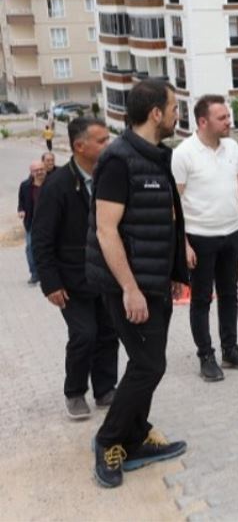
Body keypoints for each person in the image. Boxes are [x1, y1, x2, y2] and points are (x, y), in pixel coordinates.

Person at [85, 80, 189, 488]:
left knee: (150, 363)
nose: (177, 113)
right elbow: (106, 230)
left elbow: (164, 219)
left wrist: (176, 273)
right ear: (156, 114)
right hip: (128, 285)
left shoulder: (158, 157)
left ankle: (136, 436)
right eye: (174, 106)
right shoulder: (118, 160)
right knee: (148, 364)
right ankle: (109, 441)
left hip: (154, 280)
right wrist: (130, 288)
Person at [31, 118, 119, 420]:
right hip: (71, 280)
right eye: (102, 140)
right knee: (84, 334)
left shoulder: (110, 178)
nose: (108, 145)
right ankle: (75, 392)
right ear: (80, 146)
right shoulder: (58, 186)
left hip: (106, 276)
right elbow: (41, 239)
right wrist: (50, 283)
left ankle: (106, 389)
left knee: (108, 333)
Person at [171, 95, 238, 382]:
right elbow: (174, 204)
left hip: (231, 232)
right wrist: (182, 244)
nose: (229, 122)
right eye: (222, 118)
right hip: (200, 237)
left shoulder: (233, 148)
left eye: (227, 116)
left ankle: (230, 349)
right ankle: (206, 356)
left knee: (230, 294)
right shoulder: (184, 154)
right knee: (201, 299)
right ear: (202, 121)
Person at [17, 160, 47, 284]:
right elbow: (21, 202)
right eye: (36, 170)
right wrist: (21, 210)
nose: (39, 172)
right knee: (30, 248)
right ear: (31, 172)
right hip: (32, 222)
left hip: (51, 222)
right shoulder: (25, 185)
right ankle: (35, 273)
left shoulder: (52, 183)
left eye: (41, 169)